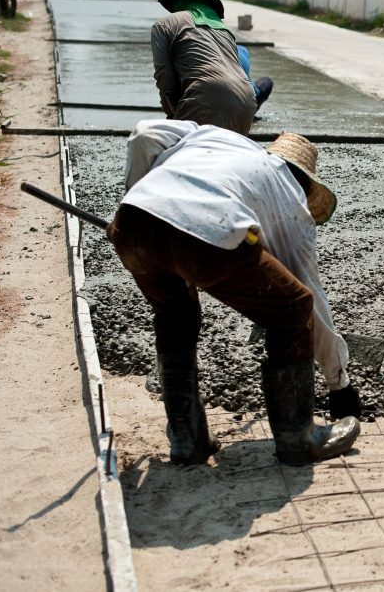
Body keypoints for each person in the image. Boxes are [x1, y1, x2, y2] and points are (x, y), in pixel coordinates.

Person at [106, 120, 364, 465]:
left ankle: (187, 438)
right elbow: (310, 299)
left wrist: (139, 198)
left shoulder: (217, 137)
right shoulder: (290, 201)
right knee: (293, 307)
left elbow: (144, 134)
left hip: (131, 223)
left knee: (176, 315)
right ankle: (297, 438)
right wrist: (339, 383)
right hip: (202, 232)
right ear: (303, 183)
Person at [151, 0, 257, 135]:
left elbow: (165, 78)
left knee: (183, 155)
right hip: (248, 101)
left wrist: (174, 115)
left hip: (204, 96)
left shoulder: (165, 25)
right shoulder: (225, 30)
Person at [237, 44, 274, 110]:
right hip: (246, 99)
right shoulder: (241, 50)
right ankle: (251, 114)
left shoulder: (216, 54)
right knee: (266, 81)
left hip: (220, 100)